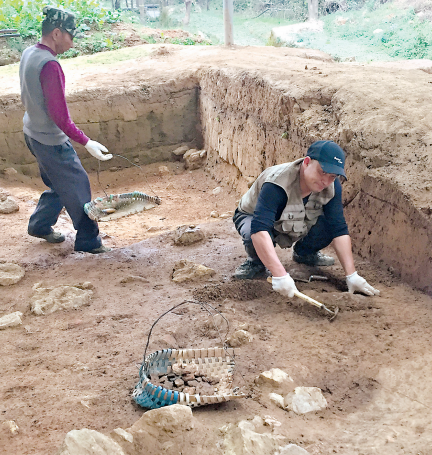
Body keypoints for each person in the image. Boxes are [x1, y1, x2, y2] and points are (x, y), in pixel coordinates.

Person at [19, 6, 112, 254]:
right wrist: (87, 142)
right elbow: (60, 116)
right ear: (57, 33)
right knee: (78, 185)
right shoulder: (50, 65)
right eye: (71, 36)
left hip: (31, 132)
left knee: (58, 183)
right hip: (50, 140)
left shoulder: (29, 53)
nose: (72, 43)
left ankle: (40, 225)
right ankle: (89, 241)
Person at [233, 140, 380, 298]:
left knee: (329, 224)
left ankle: (305, 253)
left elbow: (339, 229)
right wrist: (280, 275)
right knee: (251, 232)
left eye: (332, 176)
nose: (326, 181)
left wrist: (352, 275)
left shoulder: (332, 186)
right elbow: (259, 229)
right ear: (307, 162)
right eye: (322, 172)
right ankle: (256, 261)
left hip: (295, 219)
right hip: (253, 217)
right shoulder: (277, 183)